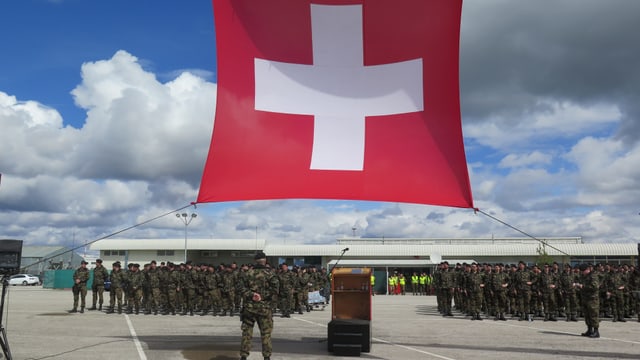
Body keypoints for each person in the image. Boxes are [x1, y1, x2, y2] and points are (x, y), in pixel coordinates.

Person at [238, 251, 279, 360]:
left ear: (255, 261)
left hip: (249, 309)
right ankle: (266, 357)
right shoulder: (270, 274)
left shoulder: (247, 273)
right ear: (265, 260)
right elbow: (275, 290)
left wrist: (252, 294)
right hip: (264, 309)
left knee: (247, 333)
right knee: (266, 334)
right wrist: (262, 296)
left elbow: (240, 289)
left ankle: (243, 356)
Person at [577, 263, 600, 338]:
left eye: (583, 271)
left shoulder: (593, 276)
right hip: (585, 298)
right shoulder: (584, 276)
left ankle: (596, 331)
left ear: (587, 269)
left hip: (592, 299)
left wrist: (583, 286)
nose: (582, 272)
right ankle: (589, 330)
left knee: (593, 315)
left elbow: (595, 286)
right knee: (587, 315)